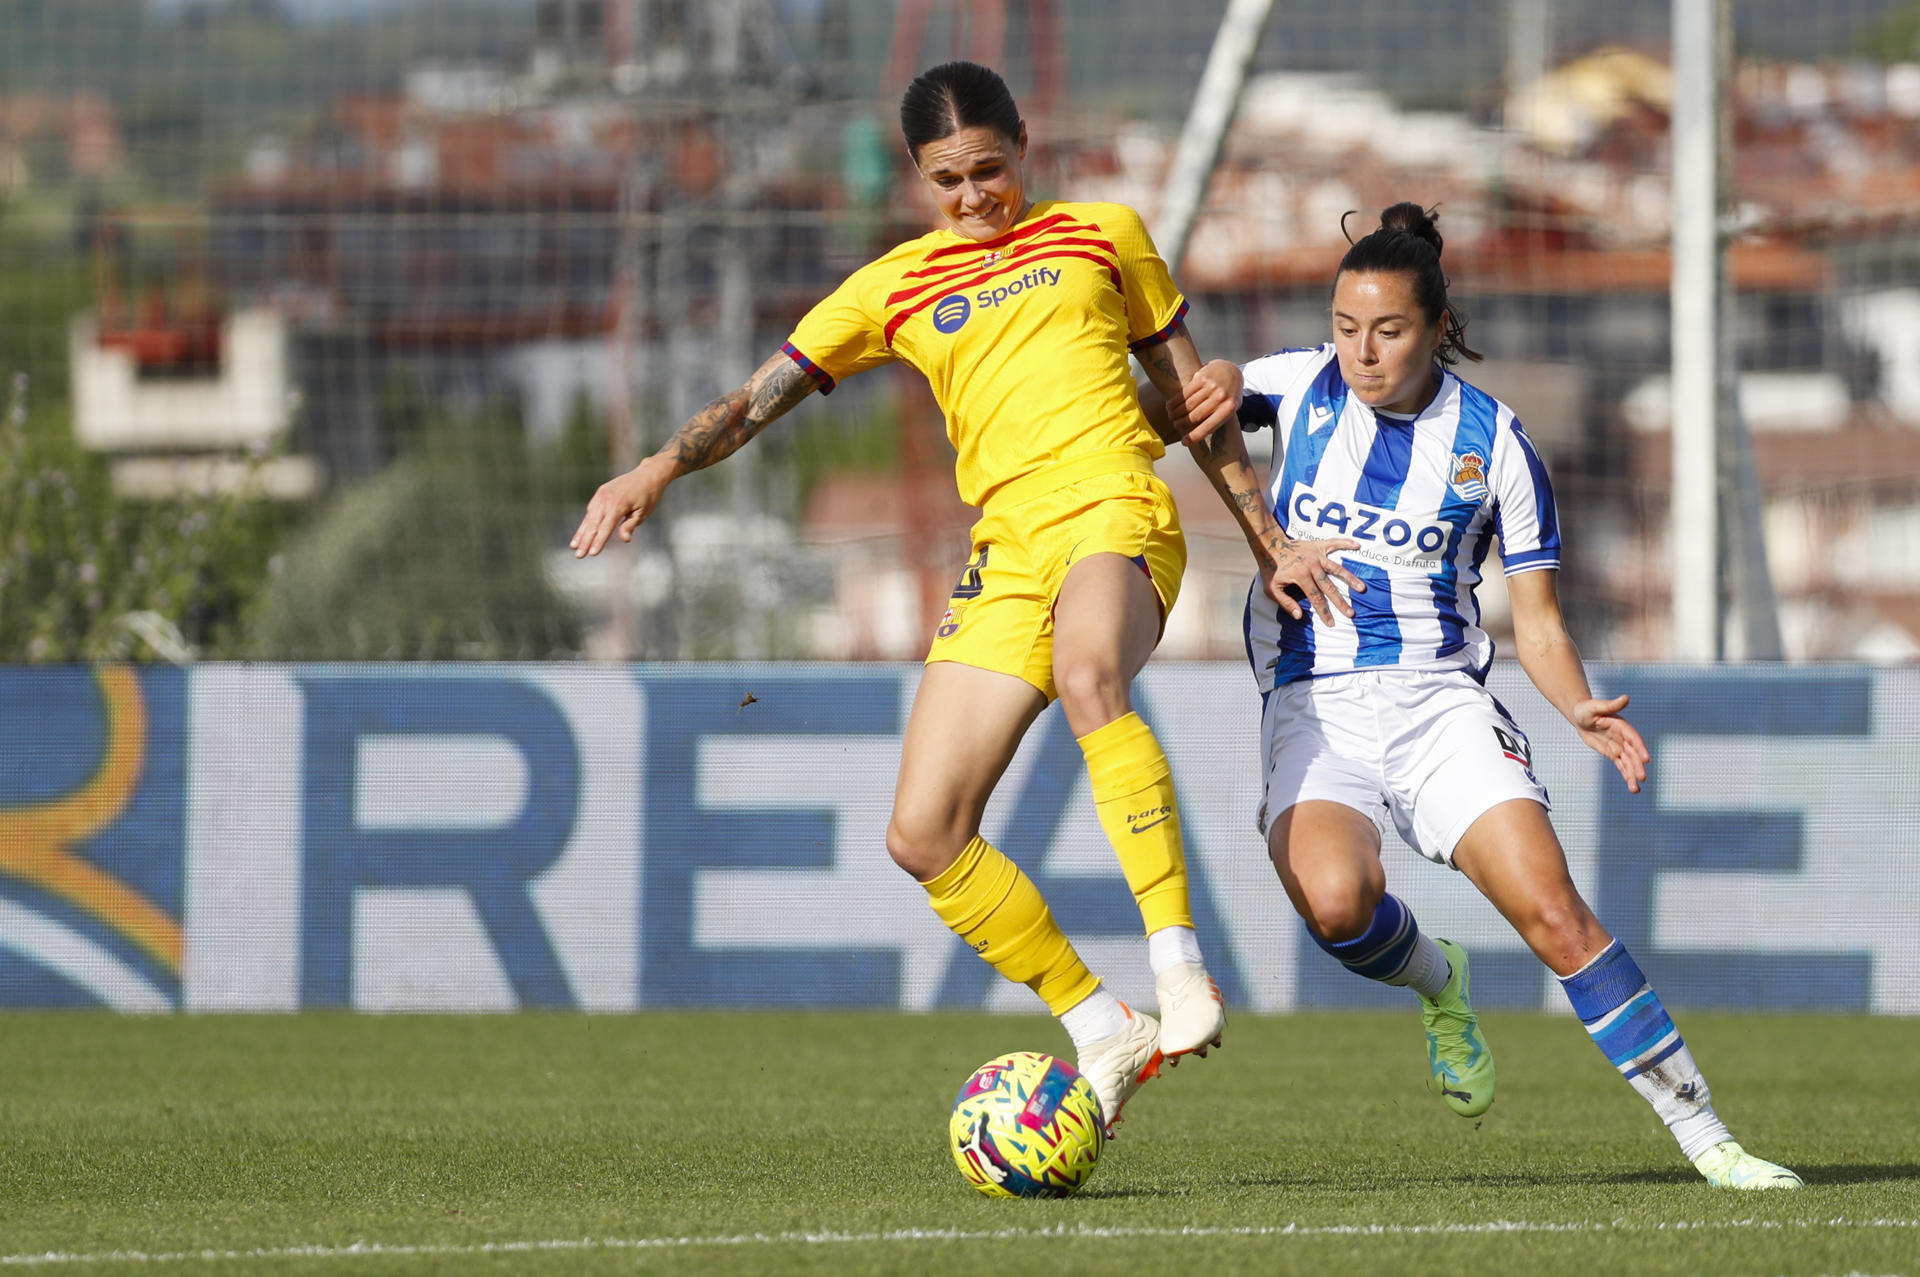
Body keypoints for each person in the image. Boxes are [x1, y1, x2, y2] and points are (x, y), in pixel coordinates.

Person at [572, 61, 1341, 1131]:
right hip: (1007, 552)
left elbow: (1191, 403)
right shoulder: (892, 286)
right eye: (948, 180)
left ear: (1024, 145)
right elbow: (760, 399)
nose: (974, 195)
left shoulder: (1105, 235)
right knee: (923, 832)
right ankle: (1098, 1019)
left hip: (1115, 505)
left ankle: (1179, 973)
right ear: (918, 179)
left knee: (1088, 677)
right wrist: (657, 465)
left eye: (989, 169)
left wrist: (1267, 539)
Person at [1146, 201, 1802, 1189]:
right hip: (1315, 704)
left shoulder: (1496, 443)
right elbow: (1183, 410)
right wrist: (1215, 383)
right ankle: (1439, 980)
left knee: (1555, 912)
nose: (1363, 351)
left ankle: (1712, 1139)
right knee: (1334, 902)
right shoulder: (1297, 388)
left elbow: (1534, 618)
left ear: (1437, 324)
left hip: (1441, 708)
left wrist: (1577, 704)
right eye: (1346, 326)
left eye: (1390, 328)